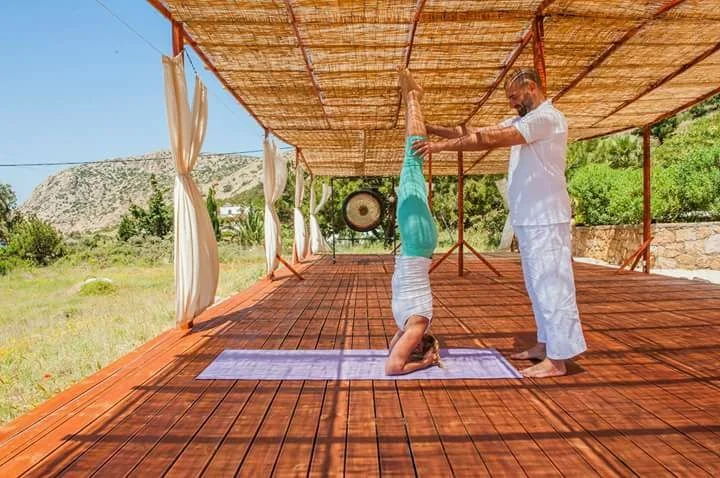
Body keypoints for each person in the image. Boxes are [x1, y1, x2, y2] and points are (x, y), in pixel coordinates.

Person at [412, 67, 586, 378]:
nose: (511, 103)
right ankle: (546, 344)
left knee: (552, 286)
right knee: (537, 286)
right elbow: (472, 131)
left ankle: (559, 359)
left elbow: (488, 139)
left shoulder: (547, 118)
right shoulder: (524, 120)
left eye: (514, 96)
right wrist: (431, 129)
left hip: (547, 219)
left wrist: (439, 148)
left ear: (531, 87)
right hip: (530, 219)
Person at [385, 68, 440, 376]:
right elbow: (393, 368)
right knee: (412, 161)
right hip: (417, 243)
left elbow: (392, 351)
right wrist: (426, 362)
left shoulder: (406, 325)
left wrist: (419, 353)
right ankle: (414, 98)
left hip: (415, 243)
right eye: (415, 348)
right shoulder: (418, 325)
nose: (408, 348)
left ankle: (413, 99)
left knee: (410, 167)